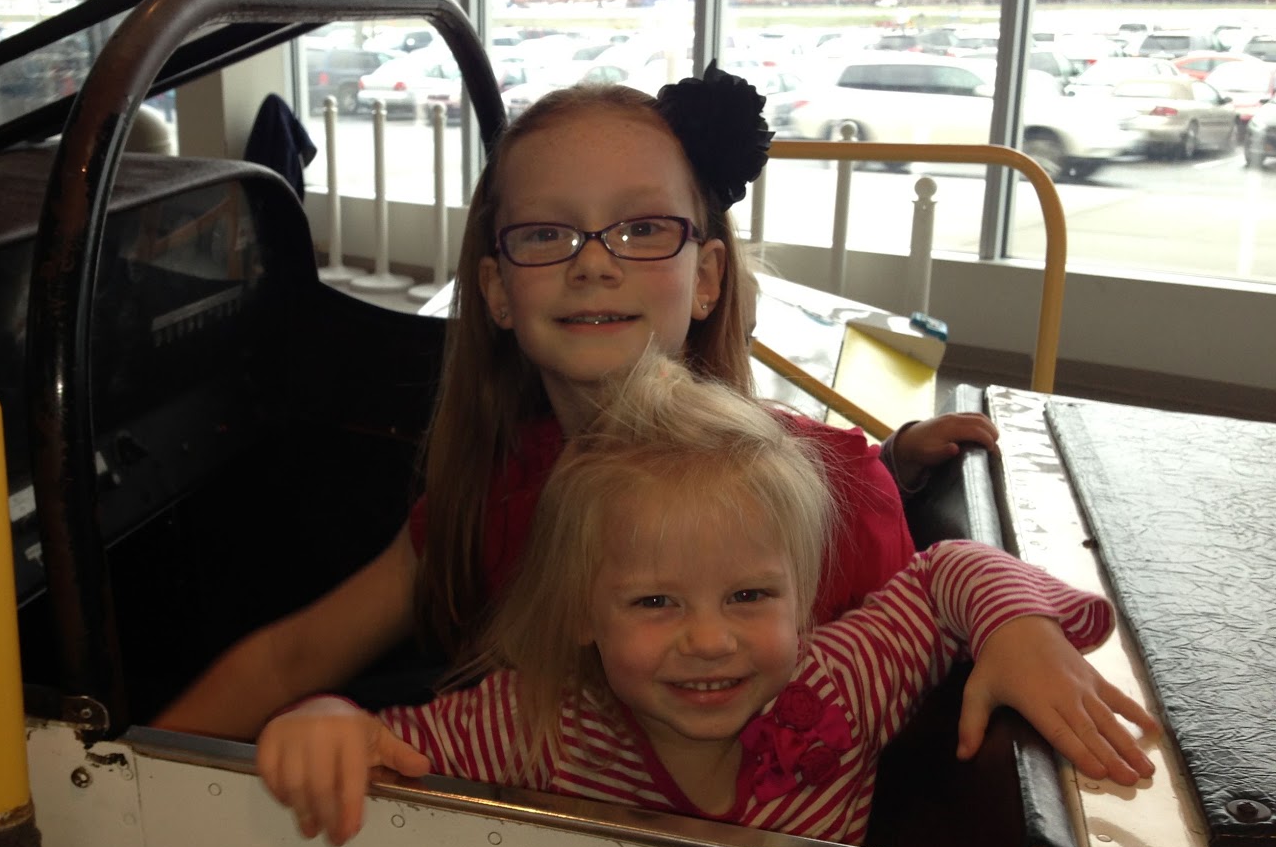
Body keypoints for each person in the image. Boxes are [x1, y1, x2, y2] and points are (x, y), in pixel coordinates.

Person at [153, 63, 994, 739]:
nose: (593, 263)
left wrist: (1013, 629)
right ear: (497, 291)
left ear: (706, 277)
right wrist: (129, 782)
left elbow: (919, 706)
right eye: (547, 234)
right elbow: (292, 660)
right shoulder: (487, 498)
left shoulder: (839, 498)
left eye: (642, 229)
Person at [256, 354, 1156, 847]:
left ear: (803, 598)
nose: (710, 639)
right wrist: (329, 720)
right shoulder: (535, 722)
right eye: (655, 602)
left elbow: (952, 566)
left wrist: (1018, 629)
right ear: (580, 614)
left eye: (750, 595)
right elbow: (387, 748)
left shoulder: (842, 680)